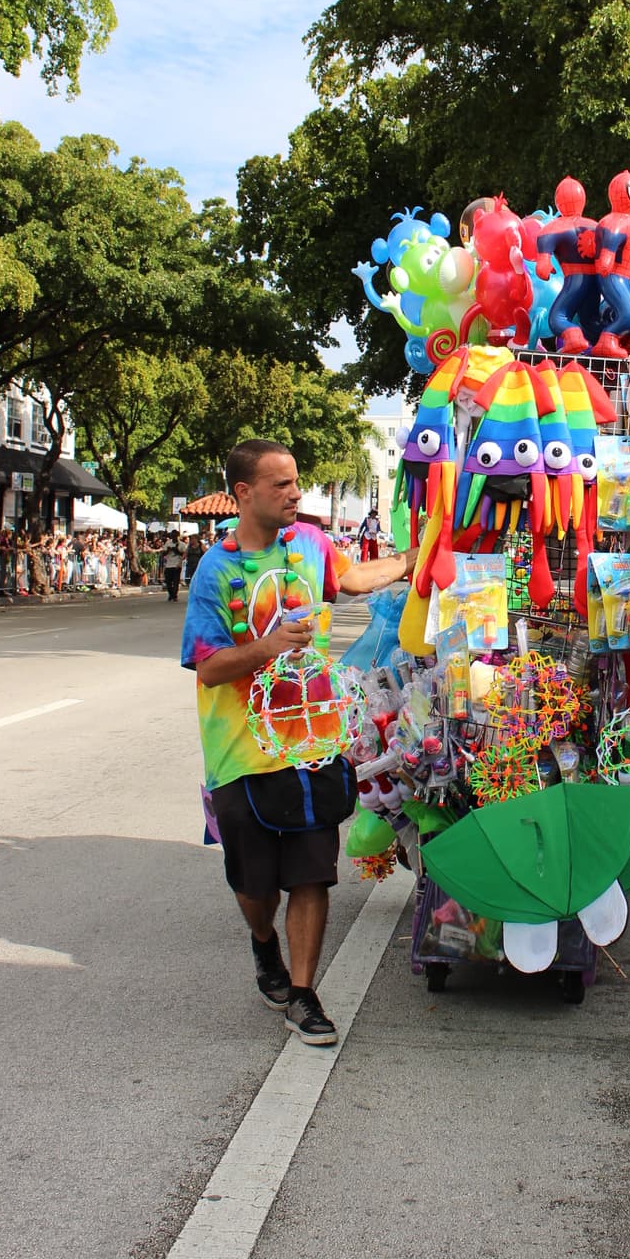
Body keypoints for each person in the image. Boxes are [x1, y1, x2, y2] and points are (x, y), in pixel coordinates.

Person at [181, 439, 417, 1046]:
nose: (295, 493)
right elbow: (207, 667)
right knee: (254, 887)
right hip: (240, 753)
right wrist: (269, 647)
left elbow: (353, 576)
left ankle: (305, 995)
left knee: (313, 874)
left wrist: (416, 558)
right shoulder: (217, 569)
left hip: (311, 742)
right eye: (281, 484)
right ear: (244, 493)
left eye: (296, 482)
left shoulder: (310, 543)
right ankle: (265, 945)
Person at [162, 533, 184, 603]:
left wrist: (176, 550)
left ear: (178, 536)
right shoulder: (168, 543)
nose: (175, 538)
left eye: (176, 536)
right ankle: (171, 594)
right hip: (169, 564)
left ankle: (175, 595)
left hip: (177, 565)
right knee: (168, 581)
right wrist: (168, 550)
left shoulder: (182, 544)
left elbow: (184, 554)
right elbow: (163, 553)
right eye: (173, 536)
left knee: (175, 582)